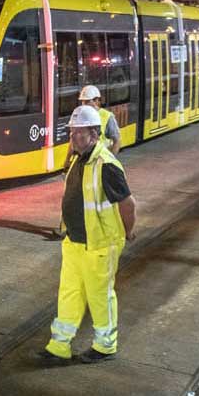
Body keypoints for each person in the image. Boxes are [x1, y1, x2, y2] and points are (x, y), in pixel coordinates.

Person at [41, 105, 137, 364]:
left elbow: (128, 204)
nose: (72, 138)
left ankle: (105, 345)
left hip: (99, 245)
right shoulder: (78, 159)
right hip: (74, 242)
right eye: (71, 133)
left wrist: (127, 233)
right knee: (69, 293)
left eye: (78, 133)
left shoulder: (106, 164)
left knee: (99, 296)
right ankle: (59, 345)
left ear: (94, 135)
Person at [79, 85, 121, 153]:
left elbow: (117, 140)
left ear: (96, 101)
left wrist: (111, 160)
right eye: (83, 101)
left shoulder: (107, 116)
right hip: (85, 158)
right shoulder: (80, 116)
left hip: (101, 159)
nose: (84, 104)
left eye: (87, 101)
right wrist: (67, 161)